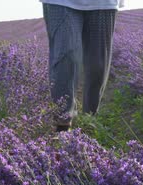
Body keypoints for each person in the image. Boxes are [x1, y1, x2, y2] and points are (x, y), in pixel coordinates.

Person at [40, 0, 125, 132]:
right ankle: (62, 123)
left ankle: (89, 120)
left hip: (103, 3)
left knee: (98, 65)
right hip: (61, 3)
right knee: (66, 57)